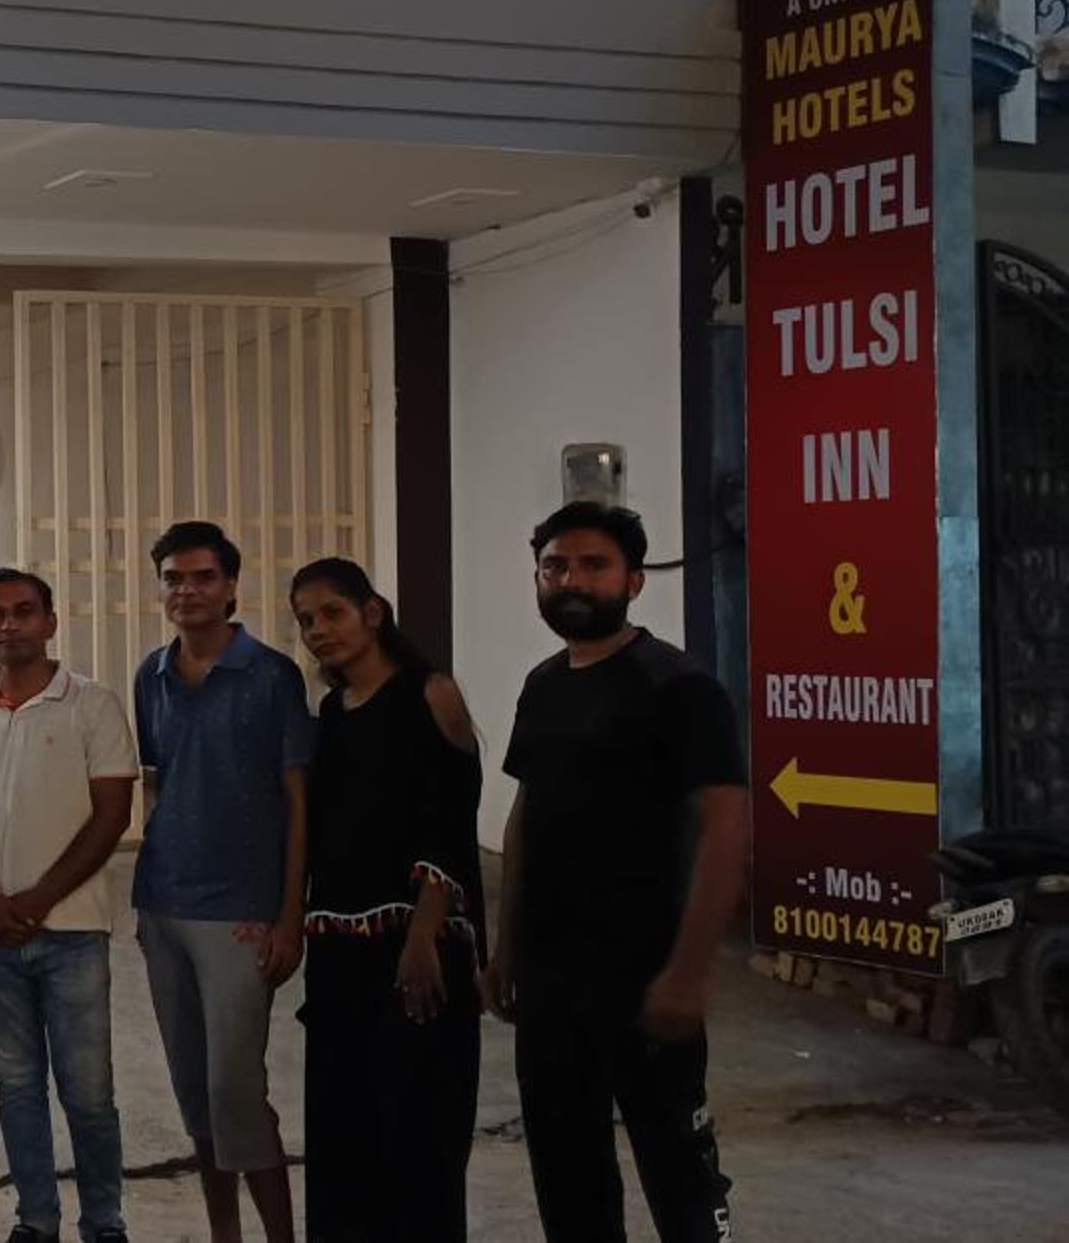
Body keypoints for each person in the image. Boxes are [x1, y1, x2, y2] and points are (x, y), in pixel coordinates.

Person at [491, 502, 745, 1242]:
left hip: (644, 973)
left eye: (593, 565)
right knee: (567, 1171)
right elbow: (526, 814)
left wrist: (688, 974)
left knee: (679, 1175)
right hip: (551, 978)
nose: (570, 580)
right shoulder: (543, 683)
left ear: (633, 580)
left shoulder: (678, 686)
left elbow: (727, 829)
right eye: (555, 567)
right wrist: (508, 950)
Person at [0, 569, 138, 1243]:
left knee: (89, 1093)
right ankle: (36, 1219)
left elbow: (112, 814)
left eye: (23, 611)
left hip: (73, 931)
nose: (9, 624)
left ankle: (103, 1222)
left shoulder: (92, 705)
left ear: (50, 622)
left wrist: (40, 899)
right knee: (17, 1086)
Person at [287, 557, 483, 1242]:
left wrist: (423, 937)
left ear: (373, 614)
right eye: (305, 620)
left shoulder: (431, 693)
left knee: (419, 1141)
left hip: (415, 953)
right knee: (344, 1142)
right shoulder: (332, 715)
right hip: (338, 963)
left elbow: (450, 822)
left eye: (331, 612)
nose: (318, 630)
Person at [131, 520, 308, 1243]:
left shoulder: (271, 676)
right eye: (173, 578)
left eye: (203, 576)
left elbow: (297, 801)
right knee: (195, 1097)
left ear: (231, 585)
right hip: (163, 905)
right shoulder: (152, 675)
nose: (187, 590)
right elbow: (158, 781)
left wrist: (289, 914)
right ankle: (224, 1232)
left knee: (236, 1091)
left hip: (241, 913)